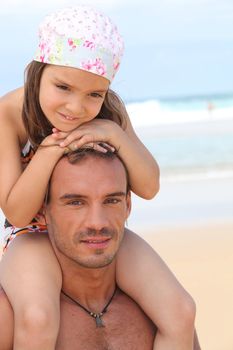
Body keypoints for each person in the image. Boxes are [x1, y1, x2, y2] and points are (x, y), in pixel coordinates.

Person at [0, 5, 195, 350]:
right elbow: (15, 211)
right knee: (37, 318)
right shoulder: (10, 114)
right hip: (32, 235)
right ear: (36, 73)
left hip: (97, 227)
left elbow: (149, 186)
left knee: (180, 310)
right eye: (63, 87)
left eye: (94, 94)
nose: (75, 107)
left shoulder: (109, 113)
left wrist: (116, 133)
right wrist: (49, 151)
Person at [0, 148, 201, 349]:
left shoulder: (161, 315)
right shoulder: (11, 319)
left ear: (128, 205)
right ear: (42, 211)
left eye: (111, 200)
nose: (97, 222)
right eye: (76, 202)